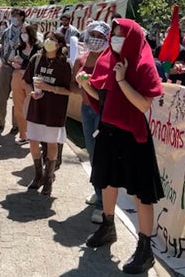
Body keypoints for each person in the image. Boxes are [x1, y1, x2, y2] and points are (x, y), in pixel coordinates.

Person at [84, 19, 164, 275]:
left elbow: (142, 105)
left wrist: (121, 79)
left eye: (121, 34)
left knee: (141, 193)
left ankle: (145, 248)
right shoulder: (106, 59)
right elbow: (103, 97)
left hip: (133, 135)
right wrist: (86, 84)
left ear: (132, 37)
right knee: (107, 182)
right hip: (109, 131)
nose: (116, 39)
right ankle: (108, 227)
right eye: (114, 34)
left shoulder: (142, 63)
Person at [24, 32, 72, 196]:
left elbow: (69, 90)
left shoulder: (64, 64)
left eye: (52, 39)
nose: (48, 41)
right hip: (36, 108)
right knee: (33, 140)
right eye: (47, 38)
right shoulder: (36, 59)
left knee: (52, 143)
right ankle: (38, 174)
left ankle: (48, 177)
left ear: (59, 44)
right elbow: (27, 81)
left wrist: (49, 88)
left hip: (54, 110)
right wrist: (32, 92)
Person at [74, 21, 110, 221]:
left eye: (100, 36)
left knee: (103, 153)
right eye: (92, 34)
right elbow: (72, 86)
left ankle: (103, 204)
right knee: (92, 151)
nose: (95, 39)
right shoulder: (81, 59)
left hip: (105, 111)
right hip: (87, 110)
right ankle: (99, 190)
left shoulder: (110, 59)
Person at [8, 22, 42, 143]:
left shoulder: (39, 48)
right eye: (21, 33)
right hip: (17, 77)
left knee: (33, 107)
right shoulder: (18, 48)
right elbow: (10, 59)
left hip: (31, 81)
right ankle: (23, 134)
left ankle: (35, 135)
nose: (23, 35)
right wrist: (14, 63)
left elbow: (38, 65)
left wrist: (23, 64)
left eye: (25, 33)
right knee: (18, 108)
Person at [0, 8, 26, 133]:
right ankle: (0, 121)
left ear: (22, 17)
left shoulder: (27, 31)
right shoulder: (6, 32)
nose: (13, 17)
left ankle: (16, 124)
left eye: (16, 15)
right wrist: (3, 60)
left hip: (20, 68)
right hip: (6, 66)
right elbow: (1, 46)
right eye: (12, 15)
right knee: (2, 96)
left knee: (18, 97)